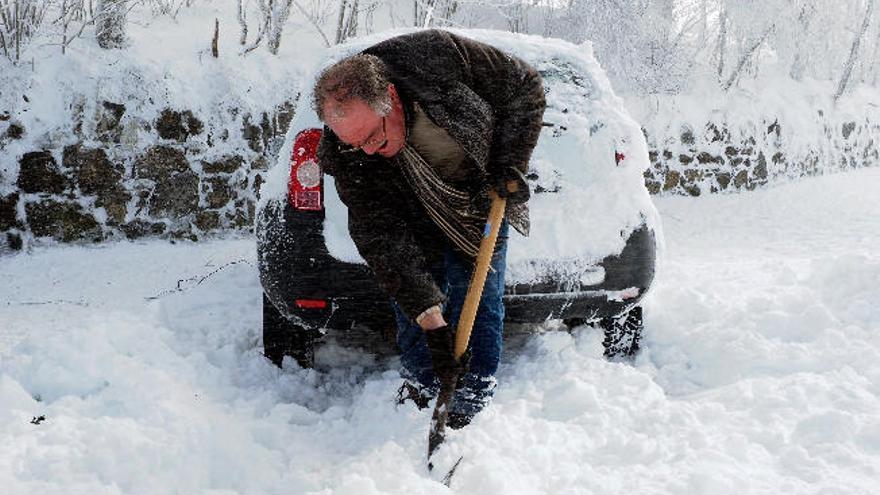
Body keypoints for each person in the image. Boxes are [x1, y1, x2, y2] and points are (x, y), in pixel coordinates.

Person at [312, 29, 546, 428]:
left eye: (372, 136)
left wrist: (509, 163)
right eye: (356, 144)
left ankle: (469, 413)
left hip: (479, 202)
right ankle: (423, 401)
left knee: (479, 303)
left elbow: (525, 88)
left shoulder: (436, 58)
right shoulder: (348, 154)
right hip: (411, 213)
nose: (366, 150)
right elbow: (380, 237)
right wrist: (429, 317)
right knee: (416, 313)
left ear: (392, 100)